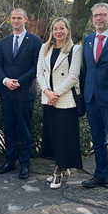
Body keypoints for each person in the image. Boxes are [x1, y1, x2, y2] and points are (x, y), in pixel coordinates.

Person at [81, 3, 108, 200]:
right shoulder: (88, 40)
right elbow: (86, 71)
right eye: (96, 16)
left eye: (102, 15)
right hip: (92, 99)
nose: (99, 19)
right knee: (98, 141)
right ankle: (100, 176)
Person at [0, 8, 42, 179]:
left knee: (24, 130)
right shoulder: (4, 42)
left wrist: (20, 81)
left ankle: (24, 164)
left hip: (24, 93)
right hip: (6, 92)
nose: (16, 21)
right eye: (13, 18)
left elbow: (36, 67)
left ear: (25, 19)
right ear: (10, 20)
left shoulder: (36, 42)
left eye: (19, 18)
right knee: (8, 128)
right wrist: (5, 80)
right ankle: (9, 161)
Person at [37, 17, 83, 189]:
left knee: (65, 138)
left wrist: (56, 93)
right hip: (48, 99)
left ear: (67, 30)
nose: (58, 32)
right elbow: (39, 73)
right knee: (53, 137)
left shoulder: (75, 49)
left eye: (62, 28)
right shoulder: (45, 47)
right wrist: (47, 92)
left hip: (65, 100)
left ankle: (58, 171)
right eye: (55, 29)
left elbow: (73, 76)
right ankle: (61, 167)